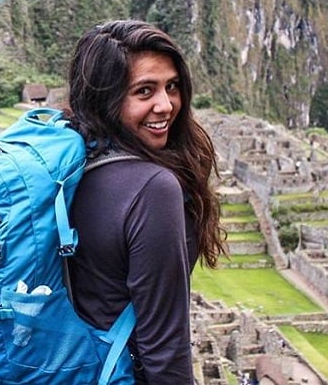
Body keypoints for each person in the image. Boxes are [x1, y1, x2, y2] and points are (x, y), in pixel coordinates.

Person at [66, 19, 225, 383]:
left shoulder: (74, 160)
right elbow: (164, 346)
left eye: (172, 87)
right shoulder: (153, 189)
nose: (166, 105)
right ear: (106, 98)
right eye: (144, 91)